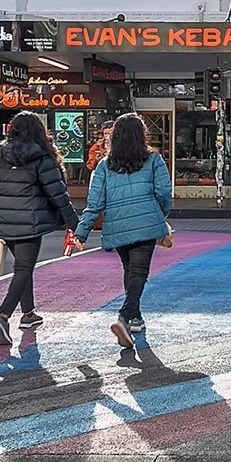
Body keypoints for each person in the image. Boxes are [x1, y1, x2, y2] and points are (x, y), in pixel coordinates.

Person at [71, 113, 173, 350]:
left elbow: (94, 203)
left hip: (117, 226)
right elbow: (164, 193)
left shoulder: (104, 165)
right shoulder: (154, 160)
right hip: (146, 223)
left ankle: (135, 317)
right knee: (138, 273)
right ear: (142, 136)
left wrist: (81, 233)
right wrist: (160, 215)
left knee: (130, 270)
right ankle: (124, 317)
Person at [0, 111, 78, 351]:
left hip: (2, 223)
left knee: (23, 268)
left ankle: (29, 313)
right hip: (30, 223)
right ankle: (2, 317)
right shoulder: (41, 157)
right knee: (24, 269)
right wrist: (74, 223)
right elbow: (57, 193)